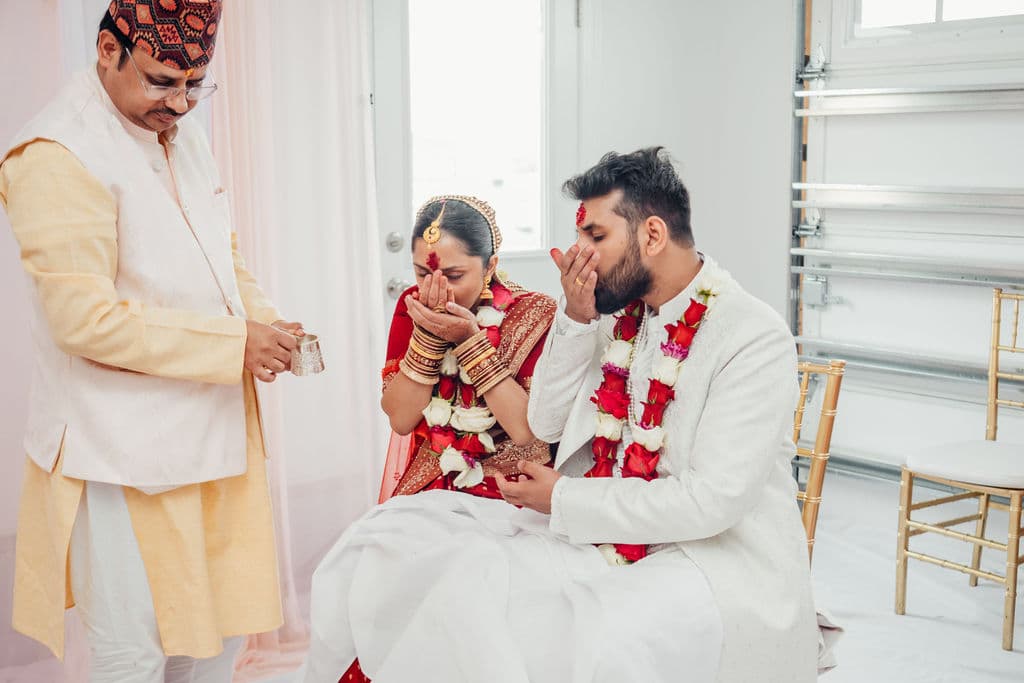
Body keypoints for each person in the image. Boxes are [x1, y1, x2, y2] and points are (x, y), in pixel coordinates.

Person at [301, 150, 817, 683]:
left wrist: (563, 499)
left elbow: (711, 503)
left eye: (596, 236)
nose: (578, 253)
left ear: (653, 235)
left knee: (540, 630)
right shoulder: (618, 316)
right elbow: (546, 424)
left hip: (709, 557)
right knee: (450, 581)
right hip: (600, 531)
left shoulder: (751, 336)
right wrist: (575, 316)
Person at [0, 2, 303, 681]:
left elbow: (219, 251)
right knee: (132, 653)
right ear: (108, 49)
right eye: (163, 80)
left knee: (216, 637)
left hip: (211, 428)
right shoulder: (57, 154)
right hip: (118, 450)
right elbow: (83, 321)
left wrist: (266, 322)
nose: (181, 103)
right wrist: (235, 345)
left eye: (196, 84)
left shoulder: (174, 129)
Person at [338, 194, 557, 682]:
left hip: (509, 487)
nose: (436, 288)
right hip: (434, 477)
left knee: (467, 586)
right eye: (422, 272)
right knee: (386, 567)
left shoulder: (535, 314)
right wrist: (429, 338)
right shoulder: (412, 306)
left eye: (454, 275)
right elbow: (401, 418)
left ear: (491, 266)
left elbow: (527, 430)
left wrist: (471, 342)